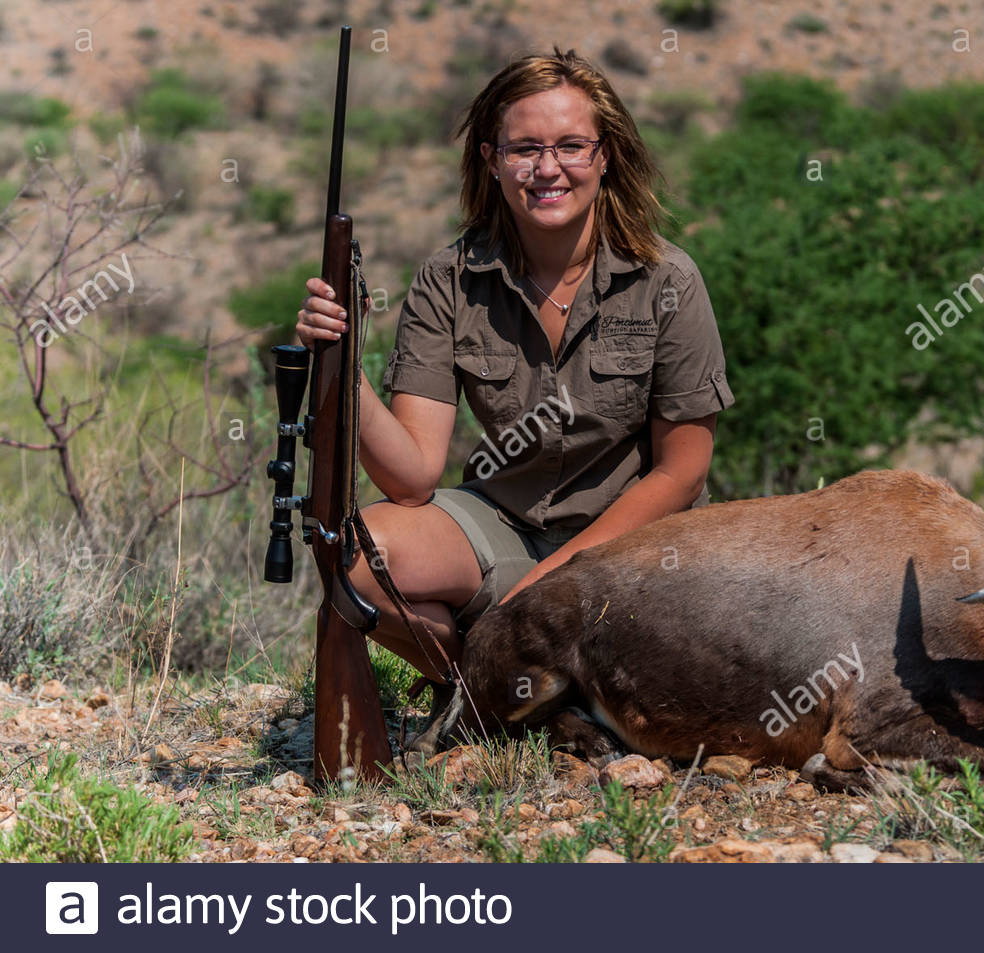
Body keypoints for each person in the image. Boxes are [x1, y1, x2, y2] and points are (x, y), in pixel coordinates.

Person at [295, 47, 734, 695]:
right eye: (524, 148)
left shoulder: (669, 279)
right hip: (503, 524)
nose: (547, 168)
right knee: (357, 558)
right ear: (490, 159)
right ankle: (483, 689)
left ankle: (521, 678)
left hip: (637, 545)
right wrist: (341, 363)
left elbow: (682, 470)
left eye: (570, 146)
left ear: (605, 155)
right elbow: (412, 476)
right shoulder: (447, 280)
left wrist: (553, 577)